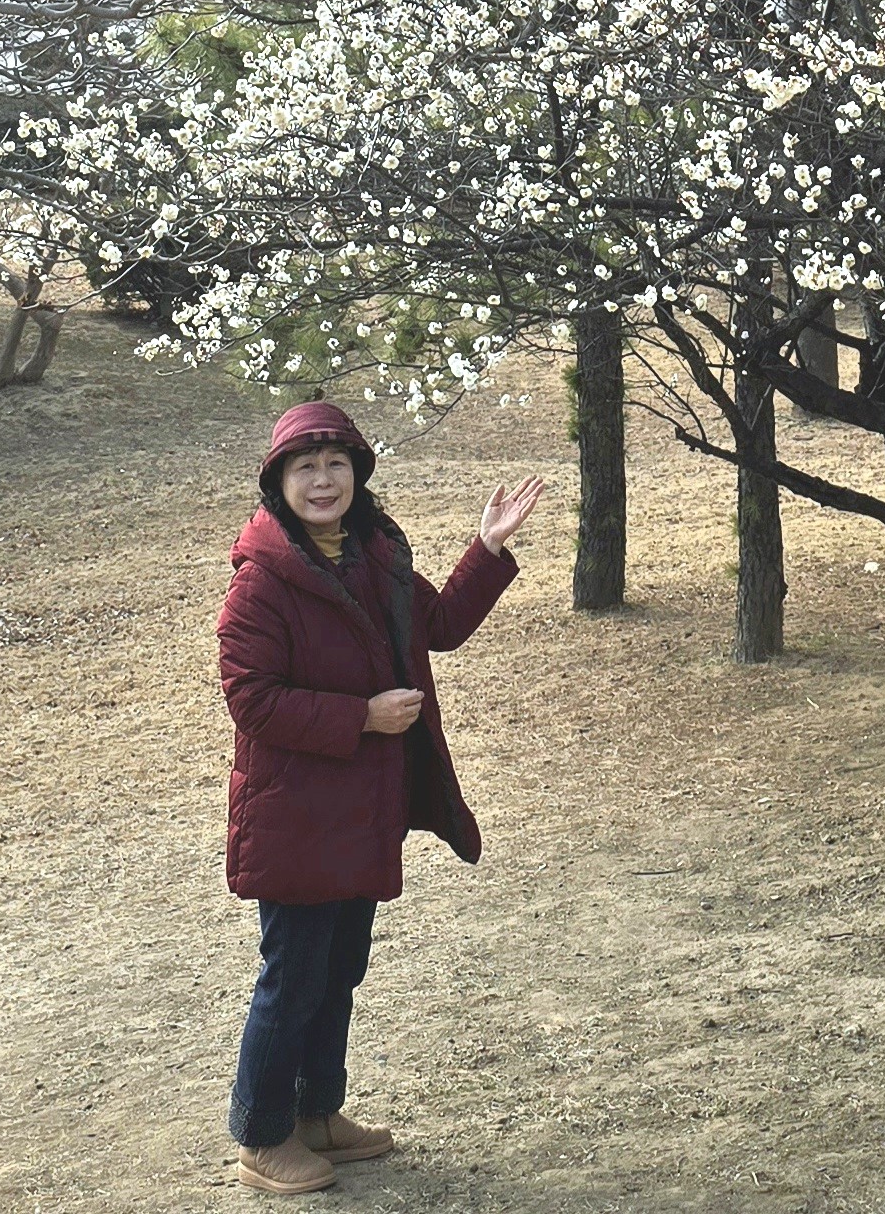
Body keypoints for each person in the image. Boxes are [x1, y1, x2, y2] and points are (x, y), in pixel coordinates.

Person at [214, 398, 549, 1195]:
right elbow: (251, 699)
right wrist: (361, 717)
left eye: (336, 464)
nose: (322, 480)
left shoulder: (375, 554)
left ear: (357, 474)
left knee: (339, 971)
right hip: (295, 815)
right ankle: (262, 1138)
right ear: (278, 482)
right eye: (305, 467)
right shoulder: (261, 582)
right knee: (293, 978)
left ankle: (316, 1114)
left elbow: (438, 625)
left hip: (362, 810)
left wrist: (487, 549)